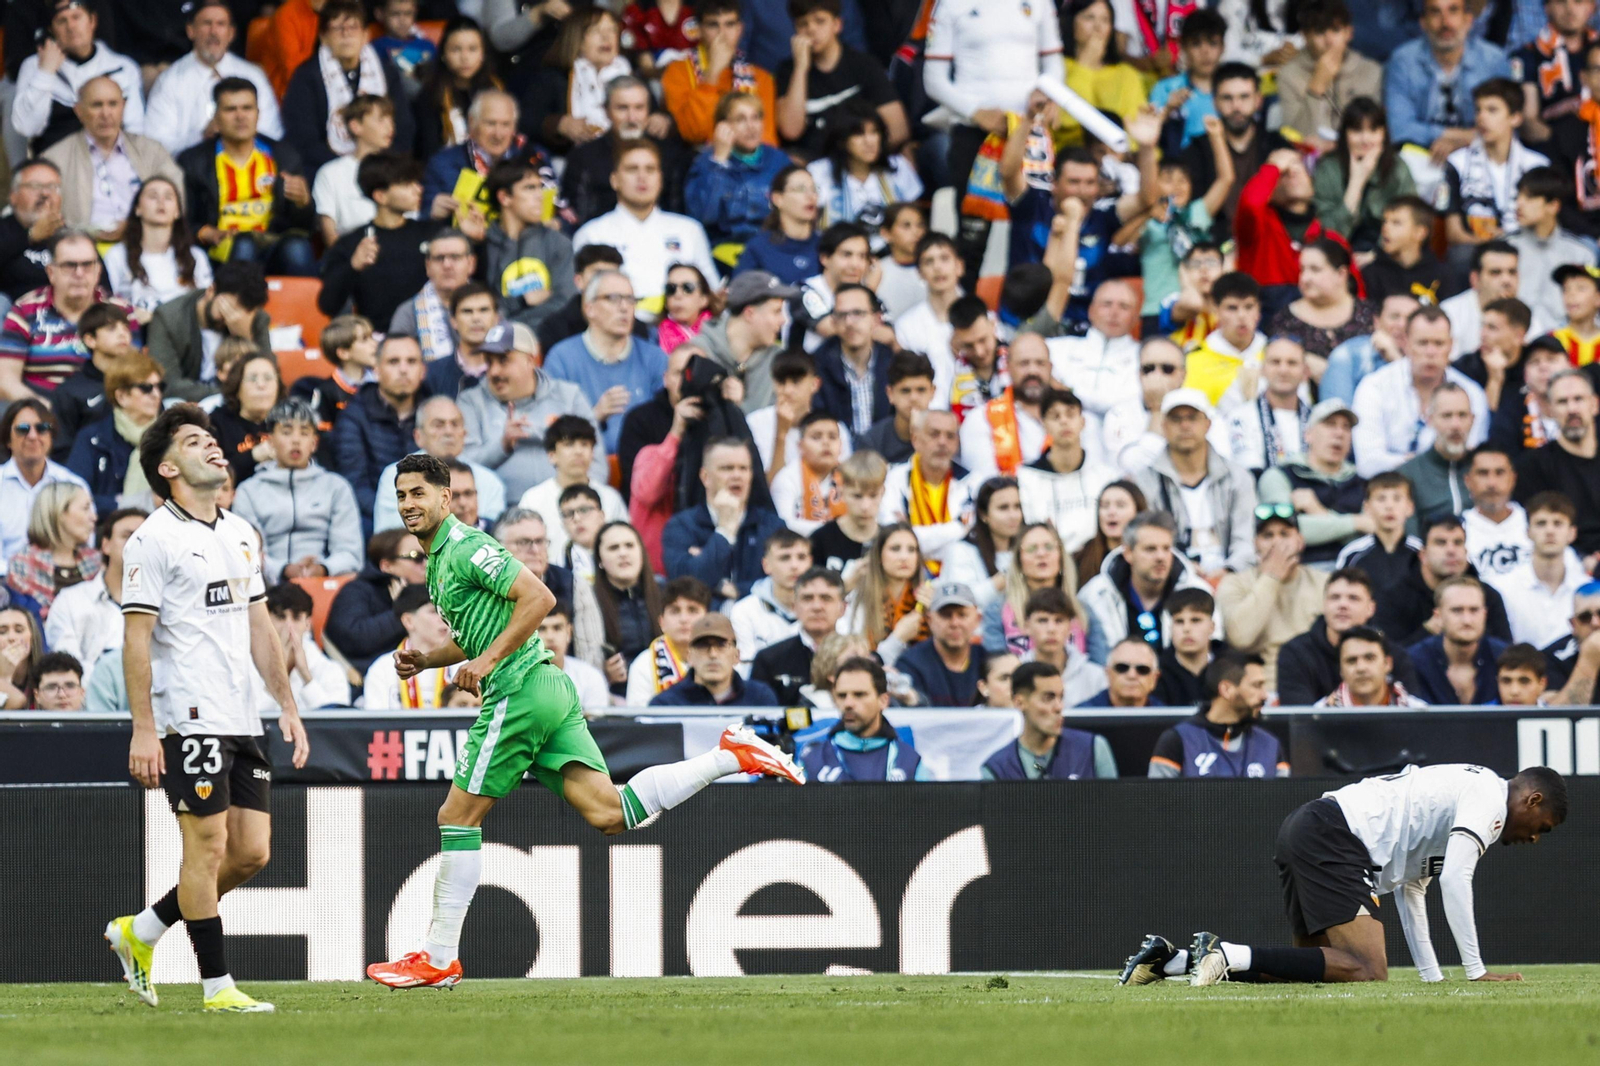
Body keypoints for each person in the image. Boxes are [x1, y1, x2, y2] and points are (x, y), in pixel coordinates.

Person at [367, 453, 803, 989]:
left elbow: (539, 597)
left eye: (419, 494)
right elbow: (487, 624)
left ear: (445, 497)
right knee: (612, 814)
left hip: (519, 690)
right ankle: (729, 755)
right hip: (546, 687)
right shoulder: (437, 558)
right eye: (402, 495)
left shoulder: (467, 546)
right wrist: (431, 660)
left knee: (457, 817)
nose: (410, 504)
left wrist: (486, 663)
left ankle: (438, 957)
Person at [105, 404, 309, 1013]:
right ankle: (217, 988)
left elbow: (261, 628)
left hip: (243, 714)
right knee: (208, 847)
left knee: (252, 852)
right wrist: (145, 729)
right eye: (197, 442)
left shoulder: (241, 532)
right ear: (168, 467)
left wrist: (287, 704)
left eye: (214, 439)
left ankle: (140, 931)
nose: (215, 448)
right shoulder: (151, 540)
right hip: (188, 715)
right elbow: (135, 640)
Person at [1121, 763, 1566, 986]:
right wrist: (1477, 972)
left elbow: (1414, 893)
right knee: (1368, 970)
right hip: (1337, 836)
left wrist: (1434, 980)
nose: (1533, 839)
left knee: (1315, 971)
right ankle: (1226, 951)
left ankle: (1175, 961)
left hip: (1312, 826)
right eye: (1541, 828)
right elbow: (1454, 880)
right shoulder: (1490, 798)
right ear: (1532, 800)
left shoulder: (1465, 798)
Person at [922, 0, 1065, 286]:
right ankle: (966, 314)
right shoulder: (949, 4)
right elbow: (933, 80)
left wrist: (1049, 94)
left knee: (1033, 225)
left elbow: (1053, 63)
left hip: (1029, 133)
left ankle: (1025, 309)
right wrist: (976, 111)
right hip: (973, 132)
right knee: (972, 237)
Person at [176, 78, 316, 277]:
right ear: (215, 117)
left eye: (247, 108)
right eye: (231, 109)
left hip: (273, 243)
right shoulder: (193, 161)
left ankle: (305, 308)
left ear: (258, 114)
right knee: (244, 245)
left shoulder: (284, 156)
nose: (240, 116)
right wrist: (207, 233)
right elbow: (184, 221)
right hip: (222, 249)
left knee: (297, 247)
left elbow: (305, 227)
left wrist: (304, 203)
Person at [460, 323, 607, 506]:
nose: (494, 371)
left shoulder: (568, 397)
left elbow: (597, 463)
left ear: (531, 360)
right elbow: (463, 467)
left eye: (503, 361)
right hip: (501, 512)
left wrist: (578, 503)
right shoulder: (471, 402)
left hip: (566, 508)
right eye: (489, 362)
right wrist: (502, 446)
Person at [572, 141, 720, 320]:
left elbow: (712, 291)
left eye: (650, 169)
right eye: (632, 169)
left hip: (684, 333)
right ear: (614, 180)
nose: (642, 177)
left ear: (660, 179)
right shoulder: (591, 234)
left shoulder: (689, 230)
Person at [231, 399, 363, 583]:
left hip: (326, 583)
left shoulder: (336, 487)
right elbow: (246, 552)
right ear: (270, 440)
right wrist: (283, 570)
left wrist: (323, 568)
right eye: (286, 432)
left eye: (304, 432)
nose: (295, 440)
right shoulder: (249, 491)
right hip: (268, 585)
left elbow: (350, 553)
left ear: (314, 443)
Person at [1352, 306, 1490, 477]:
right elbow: (1368, 464)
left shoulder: (1471, 393)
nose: (1430, 352)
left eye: (1439, 343)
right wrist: (1426, 466)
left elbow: (1472, 461)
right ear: (1405, 343)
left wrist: (1400, 461)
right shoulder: (1374, 387)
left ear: (1451, 345)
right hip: (1391, 492)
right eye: (1422, 343)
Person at [1133, 388, 1257, 578]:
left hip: (1232, 581)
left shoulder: (1238, 477)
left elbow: (1246, 540)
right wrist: (1182, 568)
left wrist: (1228, 572)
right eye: (1176, 419)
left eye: (1192, 418)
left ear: (1207, 424)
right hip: (1170, 579)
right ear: (1164, 426)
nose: (1185, 426)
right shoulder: (1145, 481)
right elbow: (1148, 541)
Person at [281, 0, 416, 174]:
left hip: (383, 167)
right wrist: (349, 168)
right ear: (323, 37)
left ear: (366, 35)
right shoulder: (306, 76)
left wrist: (378, 164)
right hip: (328, 170)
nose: (346, 35)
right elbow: (303, 139)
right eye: (337, 29)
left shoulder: (386, 71)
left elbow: (404, 127)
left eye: (353, 27)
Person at [543, 270, 669, 455]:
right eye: (613, 298)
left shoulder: (655, 358)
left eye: (630, 299)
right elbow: (551, 427)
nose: (625, 307)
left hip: (642, 469)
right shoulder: (561, 358)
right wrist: (594, 416)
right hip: (584, 466)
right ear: (589, 308)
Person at [38, 76, 181, 240]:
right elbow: (45, 217)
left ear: (123, 107)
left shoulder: (152, 151)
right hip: (81, 250)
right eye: (97, 105)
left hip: (146, 242)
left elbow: (178, 198)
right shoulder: (55, 159)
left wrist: (134, 227)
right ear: (79, 111)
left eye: (113, 104)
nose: (106, 114)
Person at [0, 229, 130, 401]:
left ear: (98, 270)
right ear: (51, 272)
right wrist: (43, 410)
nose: (79, 273)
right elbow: (6, 379)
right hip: (41, 414)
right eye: (69, 265)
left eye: (87, 265)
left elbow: (134, 371)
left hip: (104, 412)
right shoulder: (25, 311)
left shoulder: (121, 311)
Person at [143, 1, 282, 158]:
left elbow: (272, 134)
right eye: (206, 24)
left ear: (231, 33)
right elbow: (154, 146)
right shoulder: (169, 81)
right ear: (191, 31)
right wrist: (201, 136)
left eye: (221, 24)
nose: (213, 32)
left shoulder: (253, 76)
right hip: (190, 177)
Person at [317, 155, 437, 334]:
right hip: (378, 342)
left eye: (417, 182)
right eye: (406, 184)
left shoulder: (432, 233)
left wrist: (474, 242)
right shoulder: (352, 244)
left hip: (433, 334)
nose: (418, 189)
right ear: (380, 196)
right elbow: (328, 305)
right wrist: (353, 267)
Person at [1217, 506, 1329, 691]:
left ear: (1300, 541)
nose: (1277, 543)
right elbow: (1240, 638)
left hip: (1312, 686)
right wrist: (1271, 577)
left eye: (1285, 534)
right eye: (1268, 536)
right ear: (1255, 544)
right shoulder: (1233, 583)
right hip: (1257, 690)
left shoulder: (1324, 583)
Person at [11, 0, 144, 155]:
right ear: (51, 30)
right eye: (62, 20)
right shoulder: (34, 66)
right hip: (56, 165)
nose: (71, 26)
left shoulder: (123, 67)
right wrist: (45, 73)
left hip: (111, 161)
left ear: (92, 21)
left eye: (76, 17)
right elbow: (26, 127)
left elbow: (136, 129)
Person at [662, 437, 788, 601]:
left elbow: (785, 581)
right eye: (727, 468)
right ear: (705, 477)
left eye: (743, 468)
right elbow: (686, 585)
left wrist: (736, 589)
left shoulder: (772, 526)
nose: (737, 475)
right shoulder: (680, 526)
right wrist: (724, 532)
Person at [777, 0, 906, 156]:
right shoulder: (788, 71)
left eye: (820, 21)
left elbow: (898, 129)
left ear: (837, 24)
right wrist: (800, 68)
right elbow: (791, 131)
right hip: (815, 166)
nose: (811, 30)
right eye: (803, 24)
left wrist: (862, 156)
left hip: (863, 163)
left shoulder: (864, 64)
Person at [1385, 0, 1512, 156]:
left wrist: (1462, 143)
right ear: (1423, 23)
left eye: (1453, 10)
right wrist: (1466, 137)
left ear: (1468, 20)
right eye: (1436, 12)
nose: (1445, 22)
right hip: (1421, 155)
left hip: (1482, 154)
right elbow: (1399, 128)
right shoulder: (1403, 61)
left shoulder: (1493, 60)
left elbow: (1507, 124)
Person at [1442, 78, 1549, 261]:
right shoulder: (1456, 163)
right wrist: (1489, 243)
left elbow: (1544, 226)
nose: (1481, 117)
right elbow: (1453, 233)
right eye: (1478, 110)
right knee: (1460, 256)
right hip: (1476, 252)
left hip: (1527, 250)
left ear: (1515, 118)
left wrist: (1507, 238)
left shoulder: (1537, 165)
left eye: (1492, 110)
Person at [1080, 510, 1221, 648]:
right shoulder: (1095, 595)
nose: (1161, 557)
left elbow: (1214, 650)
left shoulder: (1199, 593)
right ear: (1128, 553)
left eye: (1166, 548)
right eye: (1150, 549)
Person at [659, 0, 778, 149]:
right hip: (700, 161)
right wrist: (713, 73)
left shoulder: (761, 78)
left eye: (729, 24)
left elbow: (767, 141)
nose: (722, 33)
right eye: (713, 25)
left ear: (739, 29)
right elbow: (694, 132)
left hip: (752, 164)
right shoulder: (677, 72)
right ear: (699, 30)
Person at [1147, 651, 1285, 778]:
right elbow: (1156, 801)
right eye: (1256, 685)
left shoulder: (1270, 744)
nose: (1264, 695)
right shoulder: (1177, 740)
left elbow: (1286, 802)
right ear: (1226, 689)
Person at [44, 505, 142, 680]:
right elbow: (68, 670)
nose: (136, 543)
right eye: (128, 536)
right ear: (105, 545)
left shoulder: (170, 603)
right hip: (90, 703)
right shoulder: (70, 601)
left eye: (144, 538)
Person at [684, 92, 789, 252]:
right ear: (722, 127)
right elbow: (703, 216)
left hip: (771, 246)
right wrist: (719, 162)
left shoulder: (778, 160)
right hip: (722, 248)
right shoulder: (707, 161)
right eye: (740, 119)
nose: (751, 126)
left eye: (756, 118)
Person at [799, 655, 932, 782]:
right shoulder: (811, 760)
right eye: (842, 696)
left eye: (859, 695)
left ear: (883, 701)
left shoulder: (910, 762)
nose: (848, 704)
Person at [1275, 0, 1383, 155]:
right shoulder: (1289, 74)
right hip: (1310, 159)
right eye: (1320, 32)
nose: (1329, 40)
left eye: (1336, 30)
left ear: (1349, 33)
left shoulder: (1371, 71)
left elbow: (1375, 131)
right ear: (1305, 36)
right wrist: (1316, 86)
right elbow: (1296, 136)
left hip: (1359, 154)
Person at [63, 349, 163, 515]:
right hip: (105, 530)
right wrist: (122, 505)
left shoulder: (170, 438)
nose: (156, 394)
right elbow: (74, 495)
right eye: (146, 388)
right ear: (121, 396)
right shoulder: (93, 438)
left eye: (160, 387)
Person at [980, 659, 1117, 779]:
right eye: (1048, 698)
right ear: (1019, 702)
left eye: (1061, 697)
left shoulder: (1093, 749)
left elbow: (1115, 806)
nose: (1059, 707)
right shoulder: (997, 769)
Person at [99, 178, 211, 324]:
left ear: (177, 211)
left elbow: (208, 305)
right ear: (137, 209)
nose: (161, 201)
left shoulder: (196, 256)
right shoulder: (117, 255)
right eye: (153, 196)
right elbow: (106, 302)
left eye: (169, 197)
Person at [1514, 369, 1600, 558]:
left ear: (1594, 404)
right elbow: (1538, 531)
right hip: (1569, 565)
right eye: (1562, 402)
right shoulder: (1532, 467)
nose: (1572, 409)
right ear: (1550, 410)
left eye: (1578, 399)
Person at [1486, 491, 1587, 647]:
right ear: (1528, 532)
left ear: (1572, 533)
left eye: (1558, 523)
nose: (1550, 531)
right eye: (1541, 523)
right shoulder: (1501, 589)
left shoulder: (1587, 590)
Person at [0, 399, 90, 572]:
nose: (33, 436)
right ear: (8, 440)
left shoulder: (74, 485)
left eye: (42, 428)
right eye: (23, 429)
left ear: (51, 436)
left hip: (63, 582)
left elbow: (86, 546)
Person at [1042, 280, 1141, 435]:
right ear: (1091, 311)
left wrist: (1067, 392)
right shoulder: (1054, 349)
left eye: (1124, 306)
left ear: (1136, 317)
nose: (1114, 312)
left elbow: (1125, 406)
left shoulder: (1146, 358)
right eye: (1107, 304)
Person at [324, 529, 426, 677]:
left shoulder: (435, 591)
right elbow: (355, 640)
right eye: (417, 557)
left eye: (429, 556)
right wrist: (402, 609)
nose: (426, 563)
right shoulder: (356, 591)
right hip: (366, 680)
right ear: (386, 565)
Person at [1507, 167, 1597, 328]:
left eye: (1529, 197)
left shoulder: (1581, 253)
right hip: (1516, 336)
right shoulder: (1506, 248)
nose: (1519, 203)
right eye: (1518, 196)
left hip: (1565, 341)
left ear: (1553, 206)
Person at [806, 109, 921, 236]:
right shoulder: (819, 171)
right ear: (841, 140)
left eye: (874, 132)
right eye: (859, 134)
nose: (869, 141)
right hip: (838, 252)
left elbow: (914, 219)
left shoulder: (898, 165)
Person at [696, 270, 794, 411]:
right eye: (776, 311)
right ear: (750, 314)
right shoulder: (699, 353)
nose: (783, 320)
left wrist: (740, 406)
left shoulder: (779, 361)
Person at [749, 567, 846, 706]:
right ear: (794, 607)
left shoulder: (861, 657)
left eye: (826, 598)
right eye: (807, 598)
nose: (817, 606)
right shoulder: (768, 660)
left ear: (843, 608)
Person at [4, 480, 99, 621]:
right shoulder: (23, 566)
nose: (94, 517)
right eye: (85, 508)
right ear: (59, 512)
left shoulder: (95, 562)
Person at [1405, 575, 1509, 704]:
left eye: (1474, 610)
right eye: (1457, 610)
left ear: (1484, 614)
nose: (1467, 620)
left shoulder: (1505, 658)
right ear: (1438, 616)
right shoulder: (1413, 662)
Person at [415, 16, 504, 161]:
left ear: (483, 54)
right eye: (456, 50)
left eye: (472, 49)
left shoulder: (496, 89)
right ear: (443, 54)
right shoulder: (430, 95)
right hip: (447, 172)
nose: (465, 57)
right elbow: (429, 152)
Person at [311, 94, 397, 245]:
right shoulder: (330, 173)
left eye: (391, 120)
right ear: (355, 126)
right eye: (381, 120)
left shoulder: (399, 172)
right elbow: (330, 236)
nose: (390, 127)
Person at [361, 585, 463, 710]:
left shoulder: (464, 665)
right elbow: (376, 723)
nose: (444, 619)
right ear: (408, 621)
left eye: (447, 611)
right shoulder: (383, 668)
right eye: (434, 611)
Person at [257, 582, 350, 714]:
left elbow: (336, 728)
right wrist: (277, 675)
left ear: (308, 624)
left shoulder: (330, 671)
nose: (288, 627)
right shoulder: (247, 665)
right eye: (280, 617)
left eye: (296, 618)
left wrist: (306, 677)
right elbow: (247, 720)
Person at [387, 229, 479, 363]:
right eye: (439, 258)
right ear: (428, 266)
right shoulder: (408, 312)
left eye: (455, 257)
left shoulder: (488, 305)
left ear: (471, 264)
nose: (447, 265)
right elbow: (394, 360)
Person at [1396, 383, 1479, 526]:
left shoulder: (1486, 470)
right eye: (1447, 416)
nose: (1455, 425)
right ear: (1430, 420)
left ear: (1472, 420)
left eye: (1462, 415)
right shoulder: (1408, 475)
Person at [1180, 273, 1266, 408]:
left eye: (1249, 307)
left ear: (1258, 310)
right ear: (1216, 310)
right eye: (1232, 308)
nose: (1241, 316)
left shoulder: (1276, 356)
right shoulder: (1194, 361)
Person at [895, 581, 987, 707]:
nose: (955, 623)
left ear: (977, 619)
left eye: (962, 615)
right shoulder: (911, 664)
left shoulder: (988, 662)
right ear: (929, 620)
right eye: (946, 615)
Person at [624, 576, 712, 706]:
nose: (684, 619)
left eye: (692, 610)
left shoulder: (724, 660)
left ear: (708, 619)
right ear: (662, 622)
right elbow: (638, 722)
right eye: (675, 611)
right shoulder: (643, 665)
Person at [941, 476, 1021, 611]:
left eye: (1017, 506)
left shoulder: (1028, 549)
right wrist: (1005, 579)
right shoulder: (961, 550)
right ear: (983, 514)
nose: (1013, 515)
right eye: (1003, 508)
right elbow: (960, 602)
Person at [732, 166, 823, 285]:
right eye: (801, 189)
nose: (811, 196)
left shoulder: (826, 244)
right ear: (777, 199)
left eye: (814, 189)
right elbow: (739, 293)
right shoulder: (759, 247)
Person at [207, 352, 281, 486]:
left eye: (268, 378)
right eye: (252, 379)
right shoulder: (216, 424)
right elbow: (212, 475)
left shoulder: (287, 420)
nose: (261, 385)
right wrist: (253, 456)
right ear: (237, 387)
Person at [808, 448, 883, 578]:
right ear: (841, 491)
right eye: (857, 496)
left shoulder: (890, 541)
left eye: (873, 496)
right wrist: (847, 585)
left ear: (883, 492)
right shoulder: (820, 540)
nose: (865, 506)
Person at [1364, 198, 1450, 311]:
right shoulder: (1371, 273)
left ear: (1420, 232)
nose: (1385, 228)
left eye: (1396, 223)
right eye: (1384, 221)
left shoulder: (1441, 274)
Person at [1311, 625, 1428, 706]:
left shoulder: (1418, 713)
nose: (1361, 668)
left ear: (1387, 663)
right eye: (1351, 661)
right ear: (1341, 670)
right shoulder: (1318, 717)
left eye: (1370, 658)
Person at [0, 160, 64, 306]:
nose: (45, 193)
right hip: (11, 317)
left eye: (53, 187)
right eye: (35, 186)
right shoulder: (3, 229)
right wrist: (30, 236)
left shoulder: (72, 236)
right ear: (13, 196)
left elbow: (102, 288)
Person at [1150, 587, 1223, 707]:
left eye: (1195, 620)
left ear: (1212, 627)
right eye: (1179, 621)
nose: (1186, 629)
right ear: (1170, 628)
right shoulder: (1156, 671)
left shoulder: (1231, 668)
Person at [1076, 637, 1164, 708]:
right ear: (1108, 673)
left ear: (1155, 678)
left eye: (1142, 669)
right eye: (1122, 668)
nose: (1131, 675)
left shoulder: (1168, 721)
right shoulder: (1079, 718)